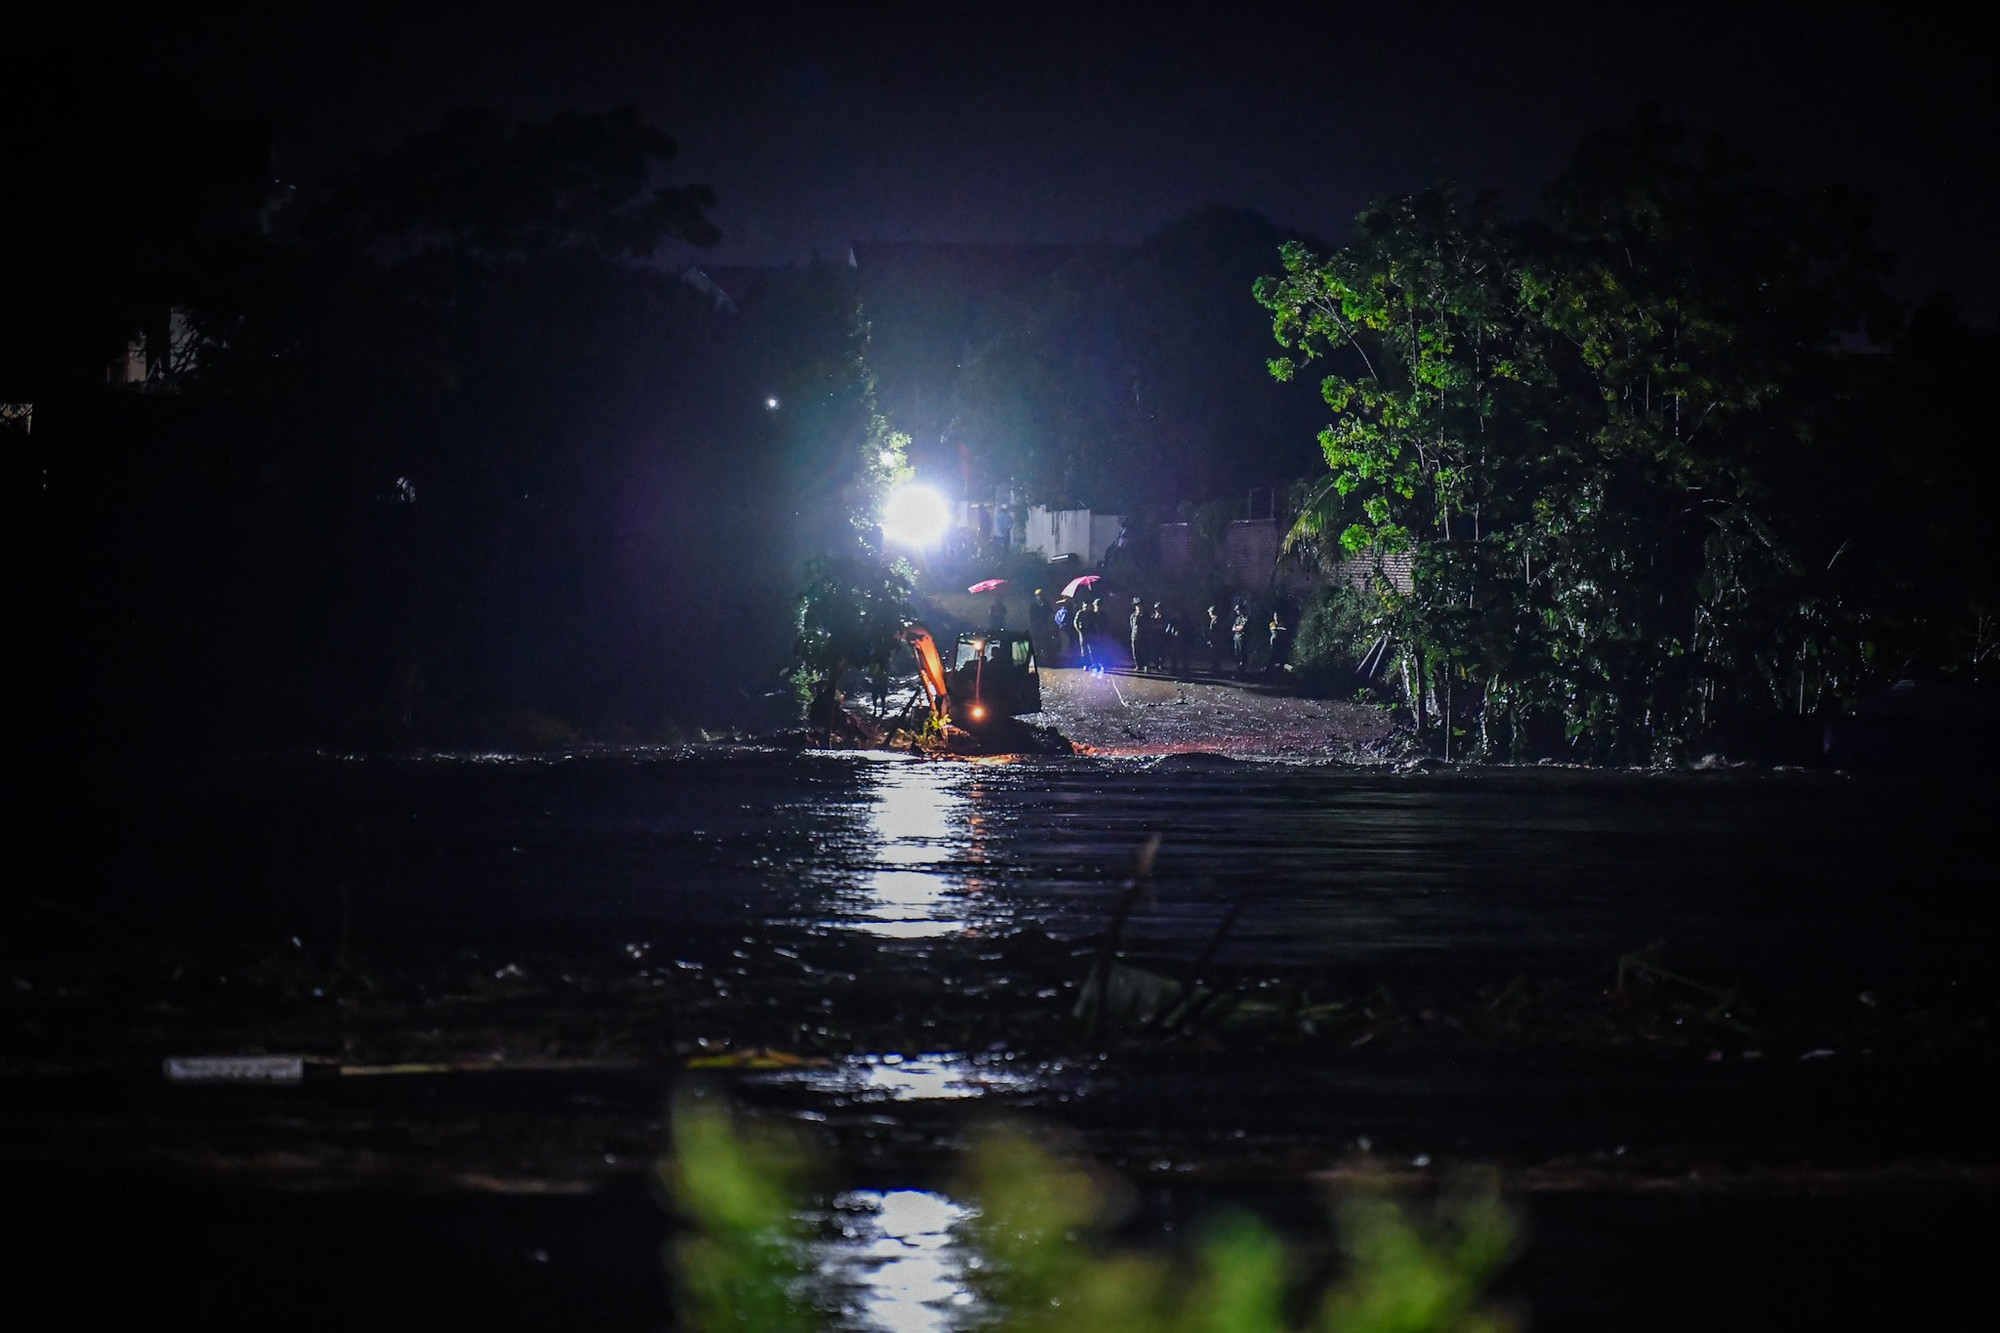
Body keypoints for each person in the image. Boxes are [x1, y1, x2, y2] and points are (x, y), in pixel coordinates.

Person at [1075, 598, 1099, 666]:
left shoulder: (1093, 614)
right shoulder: (1080, 613)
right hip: (1083, 633)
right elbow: (1075, 622)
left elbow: (1096, 623)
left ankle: (1095, 663)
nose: (1086, 608)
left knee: (1093, 649)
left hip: (1091, 633)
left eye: (1087, 606)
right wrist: (1079, 630)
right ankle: (1086, 664)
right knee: (1084, 650)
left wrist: (1096, 632)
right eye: (1085, 606)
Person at [1231, 600, 1251, 676]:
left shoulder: (1247, 618)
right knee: (1237, 653)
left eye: (1238, 610)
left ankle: (1243, 669)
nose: (1237, 612)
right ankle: (1238, 668)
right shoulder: (1238, 618)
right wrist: (1237, 628)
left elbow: (1243, 627)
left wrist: (1238, 628)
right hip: (1236, 637)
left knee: (1243, 653)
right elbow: (1233, 628)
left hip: (1243, 638)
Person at [1128, 597, 1146, 672]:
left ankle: (1145, 665)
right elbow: (1132, 625)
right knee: (1135, 652)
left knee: (1144, 651)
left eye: (1139, 605)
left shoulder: (1146, 615)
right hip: (1135, 636)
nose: (1138, 607)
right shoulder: (1133, 616)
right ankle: (1138, 665)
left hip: (1144, 636)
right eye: (1137, 605)